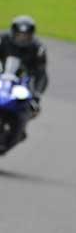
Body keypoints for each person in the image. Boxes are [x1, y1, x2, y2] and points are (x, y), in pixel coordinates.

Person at [0, 15, 48, 146]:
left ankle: (19, 130)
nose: (22, 38)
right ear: (13, 32)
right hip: (2, 78)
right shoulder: (2, 40)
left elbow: (41, 75)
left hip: (22, 84)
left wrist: (36, 96)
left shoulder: (38, 49)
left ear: (31, 35)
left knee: (30, 108)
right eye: (19, 34)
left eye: (25, 35)